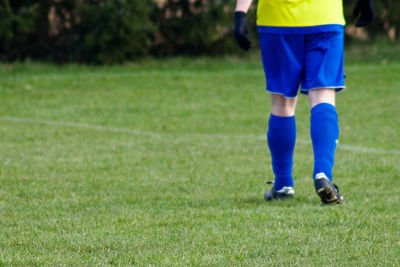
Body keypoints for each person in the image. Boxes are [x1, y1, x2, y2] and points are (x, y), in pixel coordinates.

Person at [233, 0, 374, 204]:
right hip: (324, 15)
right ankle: (323, 173)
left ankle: (283, 185)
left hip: (278, 19)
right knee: (323, 96)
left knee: (282, 102)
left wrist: (240, 14)